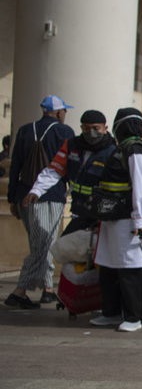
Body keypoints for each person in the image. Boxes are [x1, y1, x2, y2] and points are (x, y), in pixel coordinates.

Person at [4, 95, 77, 309]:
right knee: (44, 243)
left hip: (24, 194)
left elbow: (15, 164)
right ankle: (20, 291)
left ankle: (47, 288)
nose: (65, 114)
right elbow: (69, 165)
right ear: (57, 112)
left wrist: (12, 197)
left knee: (39, 242)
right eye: (64, 110)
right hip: (50, 195)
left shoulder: (25, 130)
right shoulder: (64, 132)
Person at [87, 108, 142, 332]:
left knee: (129, 270)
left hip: (128, 221)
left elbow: (140, 188)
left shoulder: (136, 151)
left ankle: (133, 318)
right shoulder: (121, 149)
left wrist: (139, 221)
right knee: (108, 266)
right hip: (111, 218)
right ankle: (111, 312)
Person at [22, 109, 117, 236]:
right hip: (79, 208)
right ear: (81, 128)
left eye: (96, 128)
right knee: (65, 249)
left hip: (101, 212)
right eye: (87, 129)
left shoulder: (113, 151)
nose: (91, 133)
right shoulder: (72, 145)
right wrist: (37, 190)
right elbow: (54, 170)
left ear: (105, 128)